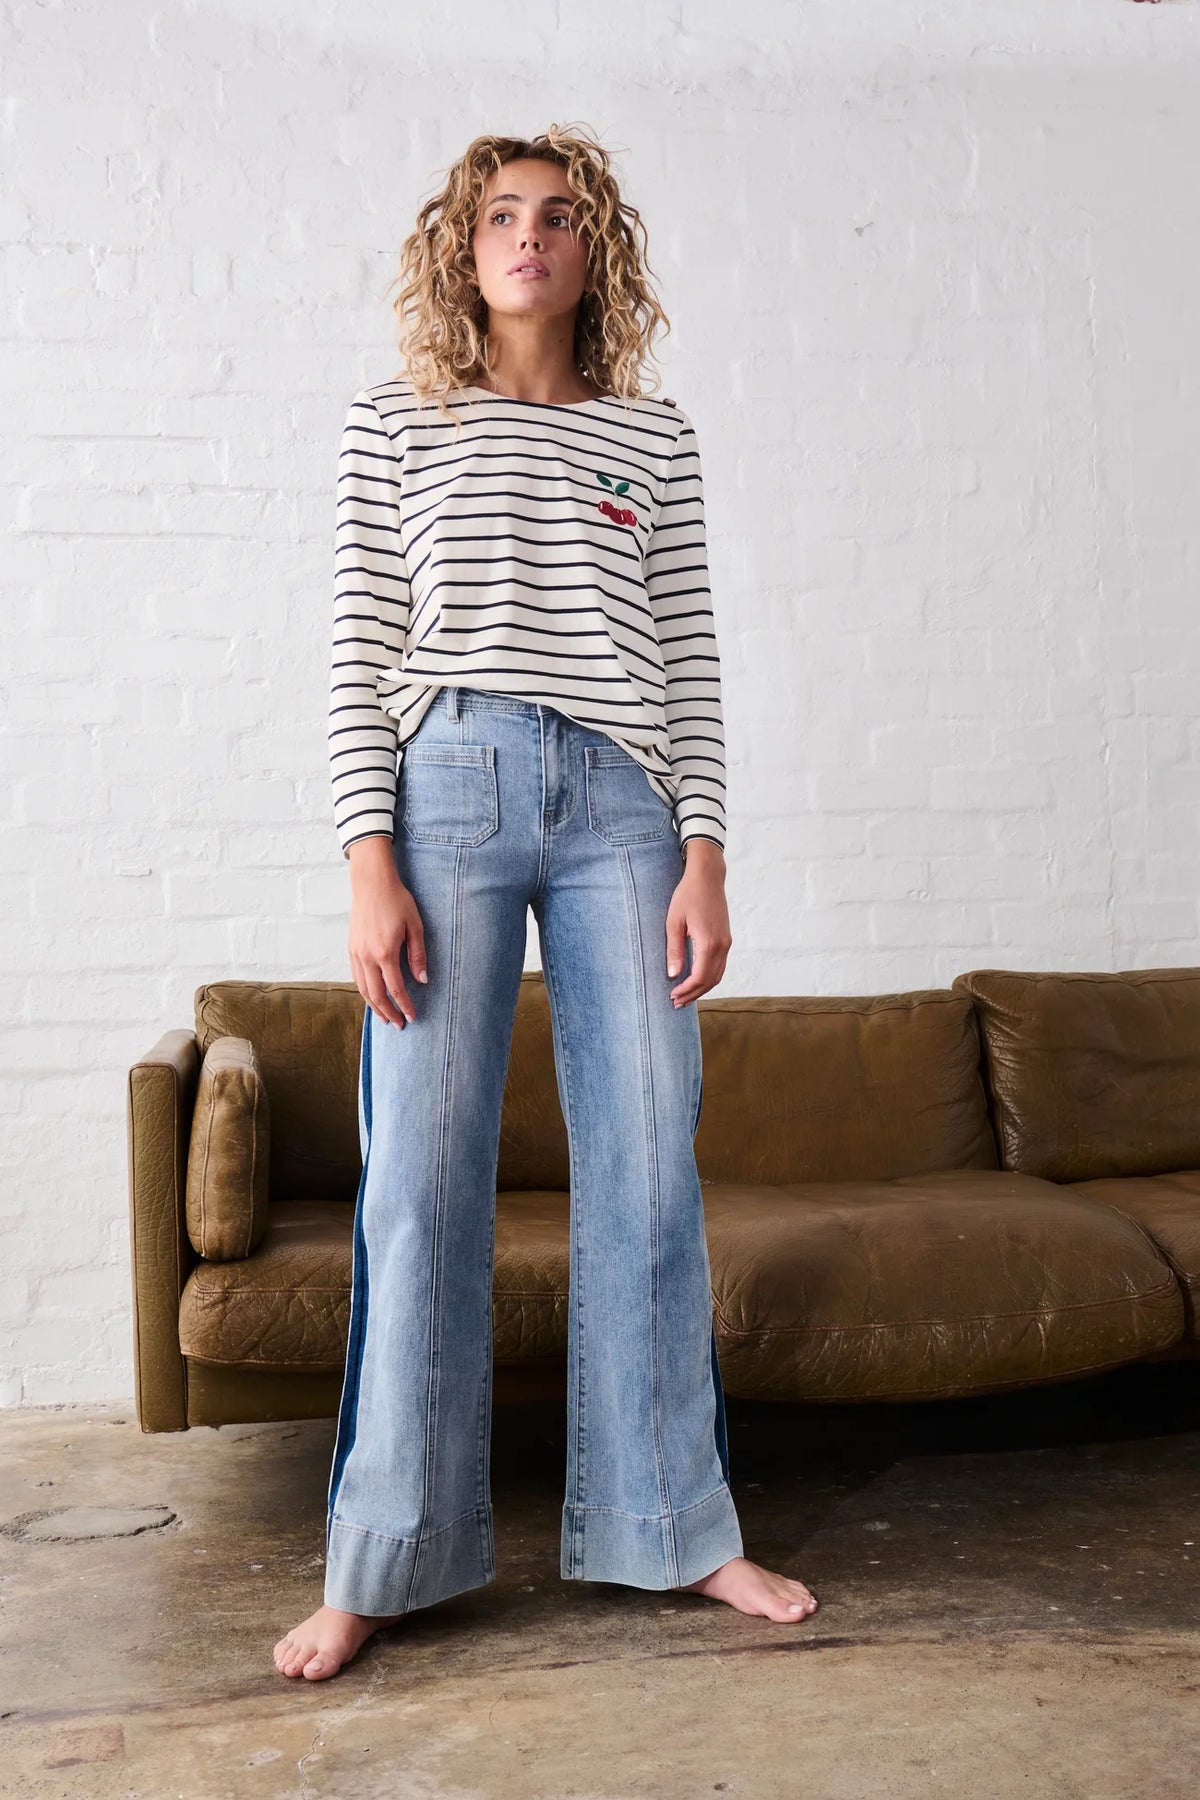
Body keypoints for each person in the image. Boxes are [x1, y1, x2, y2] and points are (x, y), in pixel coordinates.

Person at [275, 124, 818, 1682]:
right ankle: (384, 1557)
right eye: (503, 214)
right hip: (445, 783)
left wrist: (706, 850)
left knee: (647, 1165)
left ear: (595, 254)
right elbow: (358, 652)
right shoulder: (398, 422)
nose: (531, 235)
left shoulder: (653, 437)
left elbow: (690, 658)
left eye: (561, 217)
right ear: (465, 248)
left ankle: (675, 1526)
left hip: (627, 811)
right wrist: (366, 859)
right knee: (420, 1177)